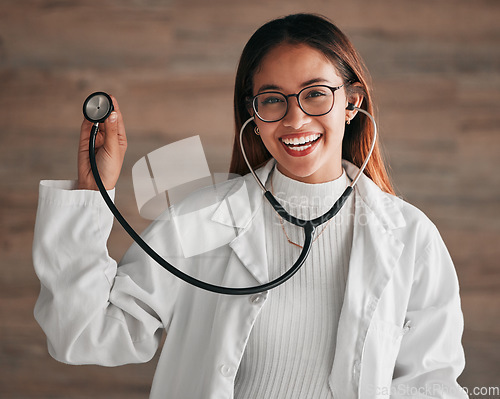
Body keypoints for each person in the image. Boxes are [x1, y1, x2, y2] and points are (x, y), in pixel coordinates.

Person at [33, 13, 467, 399]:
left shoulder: (410, 236)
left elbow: (433, 383)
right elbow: (82, 334)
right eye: (273, 100)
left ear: (351, 102)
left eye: (316, 93)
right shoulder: (200, 223)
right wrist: (93, 195)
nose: (295, 120)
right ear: (253, 117)